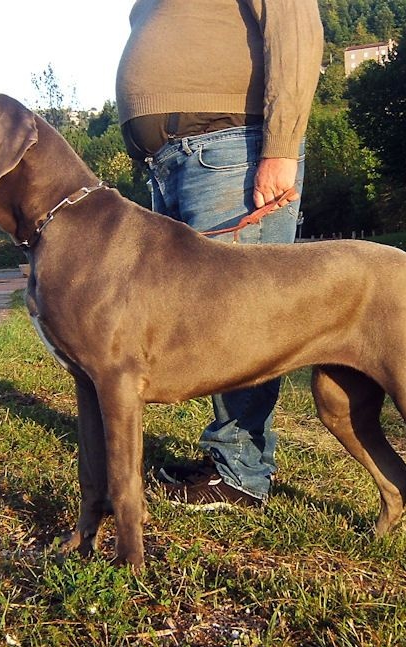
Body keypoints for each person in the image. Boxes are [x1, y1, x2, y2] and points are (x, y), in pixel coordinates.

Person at [116, 0, 324, 507]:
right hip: (174, 159)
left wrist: (281, 148)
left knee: (241, 320)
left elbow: (294, 25)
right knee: (203, 319)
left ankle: (242, 475)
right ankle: (228, 457)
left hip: (234, 147)